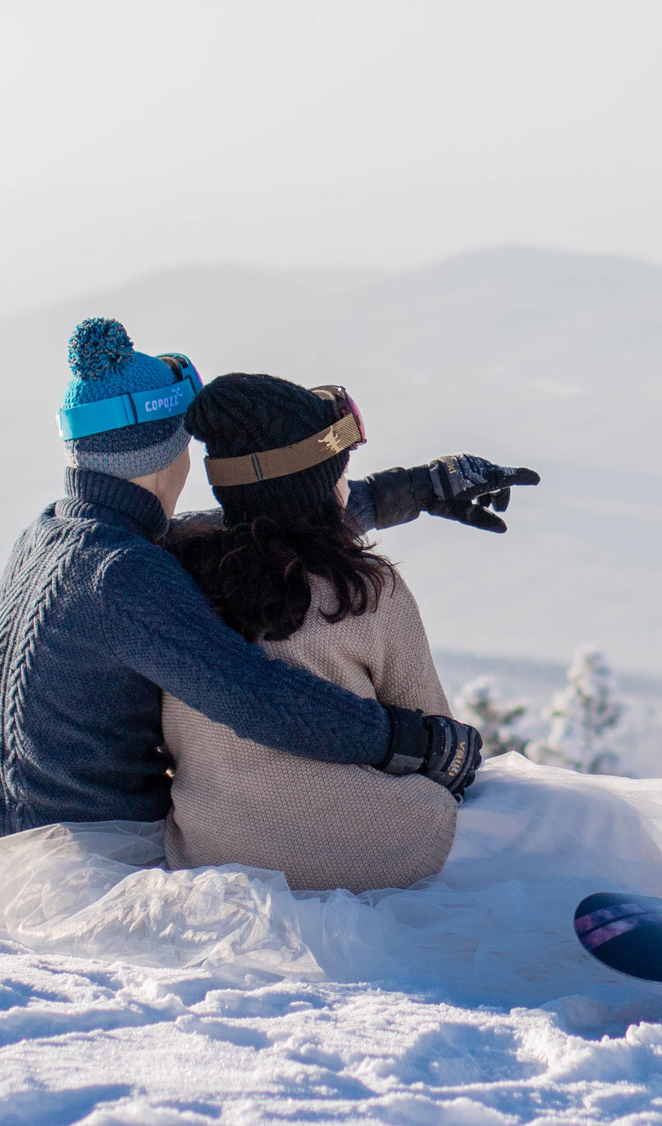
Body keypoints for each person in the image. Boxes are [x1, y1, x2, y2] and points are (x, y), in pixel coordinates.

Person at [0, 318, 541, 844]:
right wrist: (412, 741)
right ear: (171, 453)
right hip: (81, 862)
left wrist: (416, 490)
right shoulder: (124, 577)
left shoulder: (58, 534)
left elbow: (246, 527)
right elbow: (259, 698)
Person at [160, 372, 465, 890]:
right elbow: (435, 737)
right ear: (318, 489)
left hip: (213, 862)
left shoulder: (171, 585)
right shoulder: (369, 590)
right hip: (376, 857)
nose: (349, 487)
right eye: (340, 474)